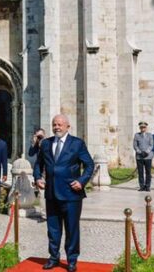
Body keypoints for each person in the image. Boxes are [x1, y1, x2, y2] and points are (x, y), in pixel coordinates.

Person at [33, 114, 94, 272]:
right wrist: (38, 177)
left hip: (71, 195)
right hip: (51, 193)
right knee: (53, 229)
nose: (56, 127)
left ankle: (72, 260)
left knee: (71, 229)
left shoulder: (77, 143)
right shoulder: (45, 144)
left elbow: (89, 165)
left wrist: (81, 181)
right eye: (54, 124)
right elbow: (38, 165)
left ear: (68, 126)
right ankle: (53, 258)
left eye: (60, 124)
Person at [133, 122, 153, 192]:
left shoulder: (150, 135)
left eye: (144, 127)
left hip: (148, 156)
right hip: (139, 156)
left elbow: (151, 145)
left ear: (146, 128)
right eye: (141, 127)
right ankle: (141, 186)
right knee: (140, 172)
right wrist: (140, 152)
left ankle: (147, 186)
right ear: (140, 128)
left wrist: (147, 152)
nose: (143, 128)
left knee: (148, 172)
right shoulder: (137, 135)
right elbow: (135, 145)